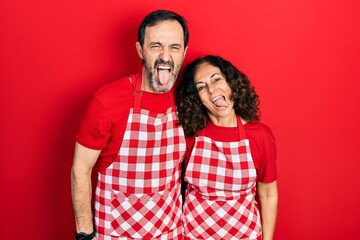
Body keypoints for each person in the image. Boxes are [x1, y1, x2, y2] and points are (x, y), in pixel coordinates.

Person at [71, 10, 189, 240]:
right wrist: (84, 235)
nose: (166, 56)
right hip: (116, 233)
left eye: (174, 47)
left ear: (184, 52)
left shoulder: (188, 99)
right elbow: (80, 170)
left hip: (170, 232)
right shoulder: (107, 101)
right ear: (140, 50)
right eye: (156, 45)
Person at [176, 55, 278, 240]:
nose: (211, 89)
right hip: (193, 234)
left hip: (245, 234)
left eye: (216, 79)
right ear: (197, 98)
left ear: (231, 83)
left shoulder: (260, 135)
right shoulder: (190, 135)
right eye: (201, 87)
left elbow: (268, 194)